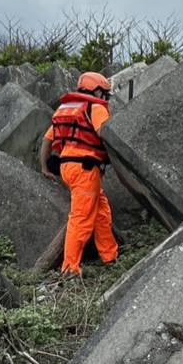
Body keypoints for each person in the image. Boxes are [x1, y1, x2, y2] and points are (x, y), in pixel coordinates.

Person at [40, 70, 118, 276]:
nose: (106, 98)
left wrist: (44, 167)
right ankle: (70, 268)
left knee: (100, 209)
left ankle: (110, 255)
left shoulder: (66, 109)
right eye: (105, 93)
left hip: (67, 167)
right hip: (85, 168)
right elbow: (105, 134)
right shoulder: (96, 108)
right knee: (81, 218)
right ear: (98, 91)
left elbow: (46, 141)